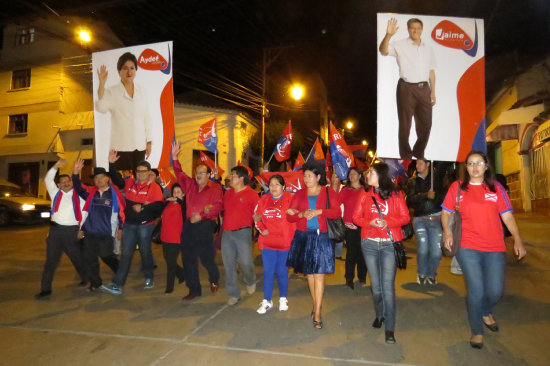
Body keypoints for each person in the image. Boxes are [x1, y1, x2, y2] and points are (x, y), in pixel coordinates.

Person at [442, 150, 526, 349]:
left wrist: (518, 240)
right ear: (466, 168)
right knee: (476, 290)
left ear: (486, 166)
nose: (475, 167)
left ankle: (486, 311)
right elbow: (445, 213)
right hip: (467, 246)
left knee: (495, 289)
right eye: (471, 163)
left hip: (494, 246)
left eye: (479, 163)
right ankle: (476, 330)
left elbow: (507, 217)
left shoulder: (496, 188)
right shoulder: (457, 188)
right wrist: (447, 232)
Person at [352, 163, 410, 344]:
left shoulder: (397, 194)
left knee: (388, 287)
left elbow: (405, 217)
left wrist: (387, 222)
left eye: (372, 173)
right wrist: (371, 223)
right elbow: (355, 218)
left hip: (388, 245)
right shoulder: (365, 194)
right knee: (376, 288)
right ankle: (380, 314)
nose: (368, 175)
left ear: (381, 176)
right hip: (369, 244)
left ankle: (390, 328)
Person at [286, 162, 341, 329]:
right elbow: (290, 216)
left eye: (310, 176)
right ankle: (317, 304)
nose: (306, 179)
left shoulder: (327, 191)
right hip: (303, 236)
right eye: (305, 176)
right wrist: (301, 213)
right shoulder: (299, 194)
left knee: (319, 274)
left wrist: (319, 211)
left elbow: (337, 212)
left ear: (318, 177)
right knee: (309, 274)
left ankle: (317, 312)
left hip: (321, 237)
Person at [102, 159, 164, 295]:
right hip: (129, 225)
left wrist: (143, 207)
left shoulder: (154, 188)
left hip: (145, 226)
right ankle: (117, 284)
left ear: (148, 173)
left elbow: (159, 207)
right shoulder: (130, 184)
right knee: (125, 254)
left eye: (143, 171)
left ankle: (149, 277)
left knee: (145, 252)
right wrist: (112, 164)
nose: (140, 174)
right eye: (138, 171)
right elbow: (116, 178)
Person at [171, 141, 222, 301]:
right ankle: (194, 289)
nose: (198, 175)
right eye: (197, 172)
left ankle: (214, 278)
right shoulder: (190, 185)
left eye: (202, 172)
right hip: (189, 227)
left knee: (206, 258)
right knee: (187, 258)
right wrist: (174, 157)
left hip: (205, 226)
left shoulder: (215, 188)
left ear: (208, 175)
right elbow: (179, 173)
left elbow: (219, 206)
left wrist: (203, 215)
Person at [379, 17, 436, 159]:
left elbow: (431, 71)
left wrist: (433, 91)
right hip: (406, 87)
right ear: (408, 29)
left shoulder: (428, 48)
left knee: (427, 124)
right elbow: (383, 50)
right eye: (412, 28)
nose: (415, 30)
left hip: (424, 88)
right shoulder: (400, 44)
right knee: (405, 124)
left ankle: (418, 152)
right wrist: (389, 35)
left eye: (418, 28)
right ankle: (405, 155)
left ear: (421, 30)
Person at [36, 159, 87, 299]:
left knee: (77, 258)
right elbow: (47, 179)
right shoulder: (55, 193)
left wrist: (82, 229)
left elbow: (85, 213)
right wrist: (55, 167)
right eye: (63, 182)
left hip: (72, 231)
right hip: (55, 232)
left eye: (68, 180)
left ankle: (85, 278)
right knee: (51, 261)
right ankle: (45, 289)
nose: (66, 183)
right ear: (58, 185)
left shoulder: (79, 195)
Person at [72, 159, 125, 292]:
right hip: (90, 232)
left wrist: (121, 229)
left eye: (102, 177)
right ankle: (95, 283)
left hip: (106, 232)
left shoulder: (114, 195)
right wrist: (75, 172)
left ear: (107, 179)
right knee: (90, 258)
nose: (99, 180)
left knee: (106, 256)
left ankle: (120, 271)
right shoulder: (90, 193)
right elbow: (78, 188)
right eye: (96, 178)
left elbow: (122, 213)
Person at [96, 52, 152, 170]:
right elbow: (101, 107)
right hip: (120, 147)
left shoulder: (141, 90)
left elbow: (146, 117)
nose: (129, 72)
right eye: (125, 68)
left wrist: (149, 142)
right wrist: (101, 84)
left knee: (139, 180)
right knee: (122, 184)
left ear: (136, 71)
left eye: (132, 68)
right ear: (119, 71)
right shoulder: (112, 91)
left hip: (139, 146)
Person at [253, 175, 295, 314]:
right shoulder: (264, 199)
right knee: (268, 272)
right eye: (271, 184)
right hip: (268, 243)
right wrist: (262, 228)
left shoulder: (290, 198)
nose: (273, 187)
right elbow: (256, 216)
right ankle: (267, 300)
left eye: (277, 184)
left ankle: (283, 298)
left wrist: (295, 213)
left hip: (285, 243)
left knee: (282, 272)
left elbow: (298, 215)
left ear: (283, 187)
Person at [221, 166, 260, 305]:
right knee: (228, 264)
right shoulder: (228, 193)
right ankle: (233, 293)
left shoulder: (251, 194)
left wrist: (259, 218)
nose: (230, 178)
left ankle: (250, 279)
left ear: (241, 178)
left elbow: (259, 211)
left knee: (245, 261)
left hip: (243, 233)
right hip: (227, 233)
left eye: (233, 175)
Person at [406, 159, 446, 285]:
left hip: (437, 219)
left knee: (436, 251)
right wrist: (425, 195)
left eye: (420, 163)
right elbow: (410, 200)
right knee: (423, 248)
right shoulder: (412, 181)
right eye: (416, 163)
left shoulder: (436, 178)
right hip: (420, 220)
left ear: (428, 164)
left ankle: (431, 273)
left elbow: (444, 164)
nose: (417, 166)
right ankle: (422, 273)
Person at [340, 167, 368, 289]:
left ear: (360, 176)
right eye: (350, 174)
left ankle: (362, 277)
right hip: (349, 226)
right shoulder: (345, 190)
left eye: (354, 174)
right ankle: (349, 278)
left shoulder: (366, 190)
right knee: (351, 253)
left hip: (364, 225)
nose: (351, 176)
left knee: (363, 253)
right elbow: (335, 202)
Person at [160, 183, 186, 294]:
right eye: (174, 192)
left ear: (183, 194)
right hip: (165, 237)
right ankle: (182, 274)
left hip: (176, 238)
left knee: (170, 264)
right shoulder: (168, 204)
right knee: (168, 260)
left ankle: (169, 287)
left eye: (178, 192)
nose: (175, 194)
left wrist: (178, 200)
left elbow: (184, 207)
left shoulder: (184, 205)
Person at [330, 171, 345, 261]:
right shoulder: (327, 188)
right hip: (329, 216)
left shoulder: (344, 188)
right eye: (332, 177)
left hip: (340, 216)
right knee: (330, 236)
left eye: (336, 177)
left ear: (339, 179)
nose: (334, 179)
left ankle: (338, 255)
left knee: (339, 236)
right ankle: (330, 253)